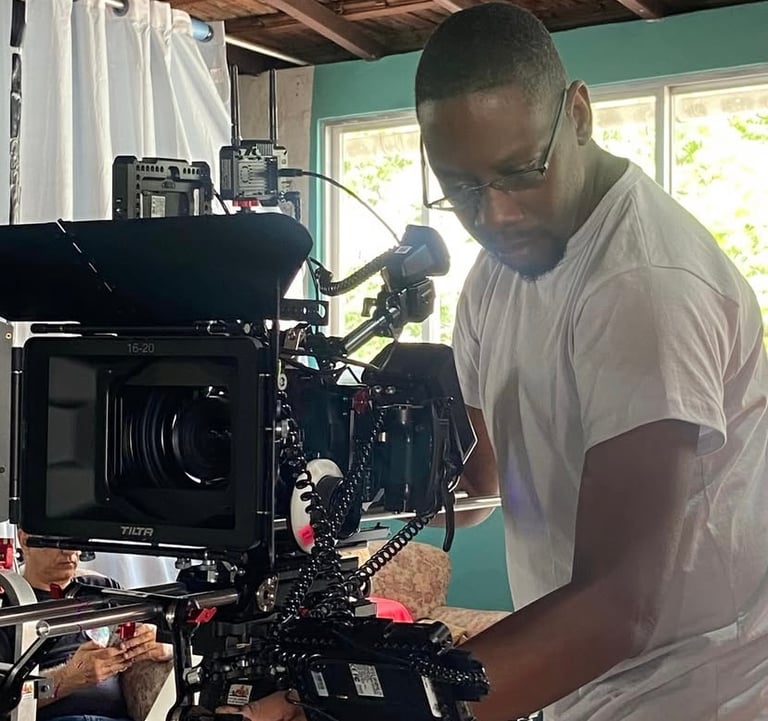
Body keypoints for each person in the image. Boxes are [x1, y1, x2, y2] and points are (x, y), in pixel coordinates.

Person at [216, 3, 768, 720]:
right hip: (586, 688)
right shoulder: (496, 275)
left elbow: (618, 606)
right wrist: (357, 464)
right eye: (462, 188)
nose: (497, 214)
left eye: (520, 171)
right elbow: (481, 489)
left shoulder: (643, 285)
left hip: (699, 691)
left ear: (578, 115)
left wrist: (352, 705)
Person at [0, 531, 173, 721]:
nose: (71, 551)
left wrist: (163, 645)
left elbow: (167, 637)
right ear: (24, 539)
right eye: (58, 540)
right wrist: (68, 678)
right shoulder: (9, 607)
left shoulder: (103, 588)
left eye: (77, 539)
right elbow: (4, 698)